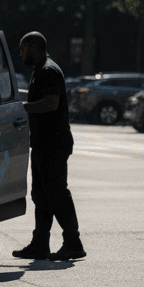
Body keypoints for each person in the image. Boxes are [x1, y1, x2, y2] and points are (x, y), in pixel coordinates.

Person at [12, 31, 85, 262]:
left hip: (54, 143)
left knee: (56, 193)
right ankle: (40, 244)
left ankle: (73, 242)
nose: (21, 54)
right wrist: (14, 99)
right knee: (41, 195)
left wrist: (22, 108)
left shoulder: (48, 71)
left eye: (23, 49)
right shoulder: (40, 71)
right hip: (43, 143)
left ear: (33, 47)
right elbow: (38, 97)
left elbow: (51, 103)